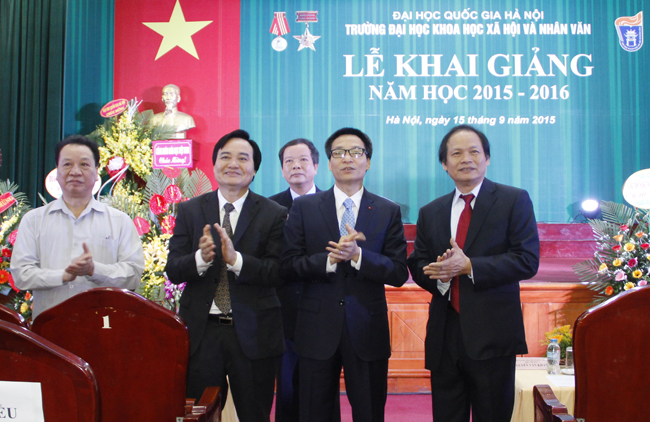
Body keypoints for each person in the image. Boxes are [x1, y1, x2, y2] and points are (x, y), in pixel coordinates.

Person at [407, 125, 540, 422]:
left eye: (474, 152)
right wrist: (441, 275)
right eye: (456, 153)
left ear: (487, 158)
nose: (466, 158)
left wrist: (470, 266)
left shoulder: (513, 200)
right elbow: (417, 264)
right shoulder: (431, 211)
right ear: (445, 164)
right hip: (445, 335)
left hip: (493, 335)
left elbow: (527, 260)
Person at [281, 128, 409, 422]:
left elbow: (399, 272)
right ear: (328, 163)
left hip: (367, 329)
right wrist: (328, 260)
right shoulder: (304, 208)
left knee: (369, 412)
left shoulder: (387, 210)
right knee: (314, 412)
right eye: (338, 153)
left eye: (356, 152)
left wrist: (358, 256)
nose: (347, 158)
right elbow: (287, 265)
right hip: (316, 329)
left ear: (368, 161)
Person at [165, 129, 287, 422]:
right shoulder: (190, 210)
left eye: (243, 158)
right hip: (202, 332)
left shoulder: (274, 213)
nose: (233, 164)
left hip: (254, 331)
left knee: (254, 414)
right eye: (225, 157)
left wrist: (236, 261)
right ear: (214, 164)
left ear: (254, 169)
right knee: (199, 413)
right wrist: (201, 258)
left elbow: (279, 271)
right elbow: (174, 269)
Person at [11, 135, 144, 319]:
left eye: (84, 164)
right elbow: (21, 275)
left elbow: (133, 275)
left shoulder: (119, 221)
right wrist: (62, 276)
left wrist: (94, 270)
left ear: (96, 172)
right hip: (50, 325)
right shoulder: (33, 220)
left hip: (104, 325)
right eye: (67, 164)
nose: (75, 171)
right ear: (56, 171)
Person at [269, 138, 337, 422]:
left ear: (316, 166)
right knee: (287, 390)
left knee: (323, 392)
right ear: (282, 169)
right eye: (289, 161)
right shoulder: (269, 207)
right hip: (285, 313)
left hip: (325, 311)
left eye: (303, 160)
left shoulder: (333, 204)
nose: (296, 166)